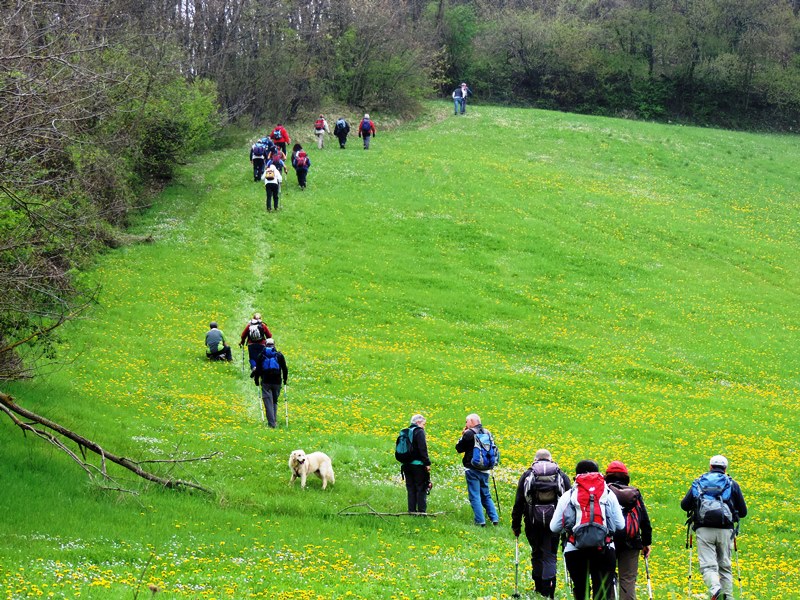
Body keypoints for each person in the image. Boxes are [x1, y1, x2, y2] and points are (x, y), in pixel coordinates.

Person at [551, 459, 625, 600]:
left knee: (580, 589)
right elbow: (620, 525)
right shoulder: (608, 494)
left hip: (575, 549)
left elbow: (554, 527)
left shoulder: (568, 495)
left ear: (576, 475)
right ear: (599, 474)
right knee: (602, 591)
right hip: (604, 548)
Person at [681, 455, 747, 600]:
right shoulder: (732, 483)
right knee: (725, 566)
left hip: (703, 529)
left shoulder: (699, 482)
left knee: (708, 566)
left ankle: (715, 588)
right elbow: (743, 512)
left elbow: (684, 505)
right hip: (725, 530)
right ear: (725, 468)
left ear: (710, 466)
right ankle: (728, 597)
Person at [511, 449, 571, 599]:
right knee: (550, 555)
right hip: (555, 522)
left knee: (536, 552)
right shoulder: (560, 475)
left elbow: (519, 501)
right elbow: (569, 500)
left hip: (532, 521)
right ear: (551, 459)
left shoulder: (528, 474)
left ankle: (538, 587)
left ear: (535, 459)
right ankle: (548, 590)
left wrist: (516, 525)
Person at [605, 461, 652, 600]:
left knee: (608, 577)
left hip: (608, 541)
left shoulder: (604, 491)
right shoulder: (633, 493)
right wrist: (646, 543)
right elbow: (644, 520)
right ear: (626, 476)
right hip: (631, 542)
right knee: (628, 579)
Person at [455, 413, 499, 526]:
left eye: (466, 421)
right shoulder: (487, 432)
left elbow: (459, 448)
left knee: (474, 495)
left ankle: (480, 521)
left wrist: (462, 435)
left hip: (472, 468)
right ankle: (494, 519)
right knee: (486, 494)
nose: (465, 424)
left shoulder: (469, 433)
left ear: (472, 421)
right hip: (485, 468)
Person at [400, 414, 432, 514]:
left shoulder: (406, 432)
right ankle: (422, 512)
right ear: (418, 422)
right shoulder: (419, 432)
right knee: (421, 488)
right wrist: (427, 463)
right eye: (423, 424)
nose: (424, 426)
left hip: (406, 464)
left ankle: (411, 511)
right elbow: (423, 448)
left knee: (411, 488)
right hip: (418, 465)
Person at [256, 338, 288, 428]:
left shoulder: (261, 355)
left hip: (266, 382)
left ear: (265, 345)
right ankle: (274, 421)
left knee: (268, 403)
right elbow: (285, 369)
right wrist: (285, 380)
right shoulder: (279, 355)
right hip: (277, 382)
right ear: (274, 345)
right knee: (274, 401)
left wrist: (256, 380)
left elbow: (258, 370)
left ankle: (272, 424)